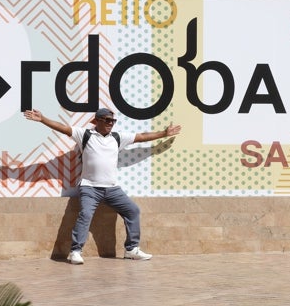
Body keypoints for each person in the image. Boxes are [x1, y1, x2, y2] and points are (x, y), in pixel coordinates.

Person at [24, 107, 182, 264]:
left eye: (113, 121)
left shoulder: (117, 137)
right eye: (107, 120)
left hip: (112, 188)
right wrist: (43, 119)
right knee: (85, 214)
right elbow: (63, 128)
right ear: (97, 120)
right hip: (89, 187)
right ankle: (75, 251)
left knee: (132, 210)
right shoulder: (85, 135)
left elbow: (141, 136)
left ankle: (131, 249)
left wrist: (164, 133)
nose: (111, 123)